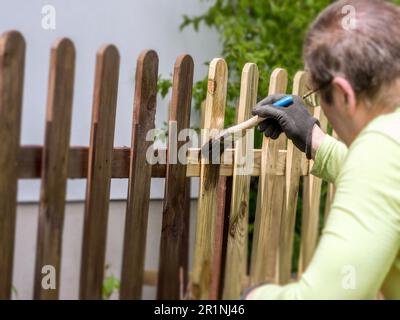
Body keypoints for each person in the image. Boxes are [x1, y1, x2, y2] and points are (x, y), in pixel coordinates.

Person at [246, 0, 400, 299]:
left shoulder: (383, 143)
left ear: (343, 95)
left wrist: (252, 296)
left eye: (321, 98)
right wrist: (314, 138)